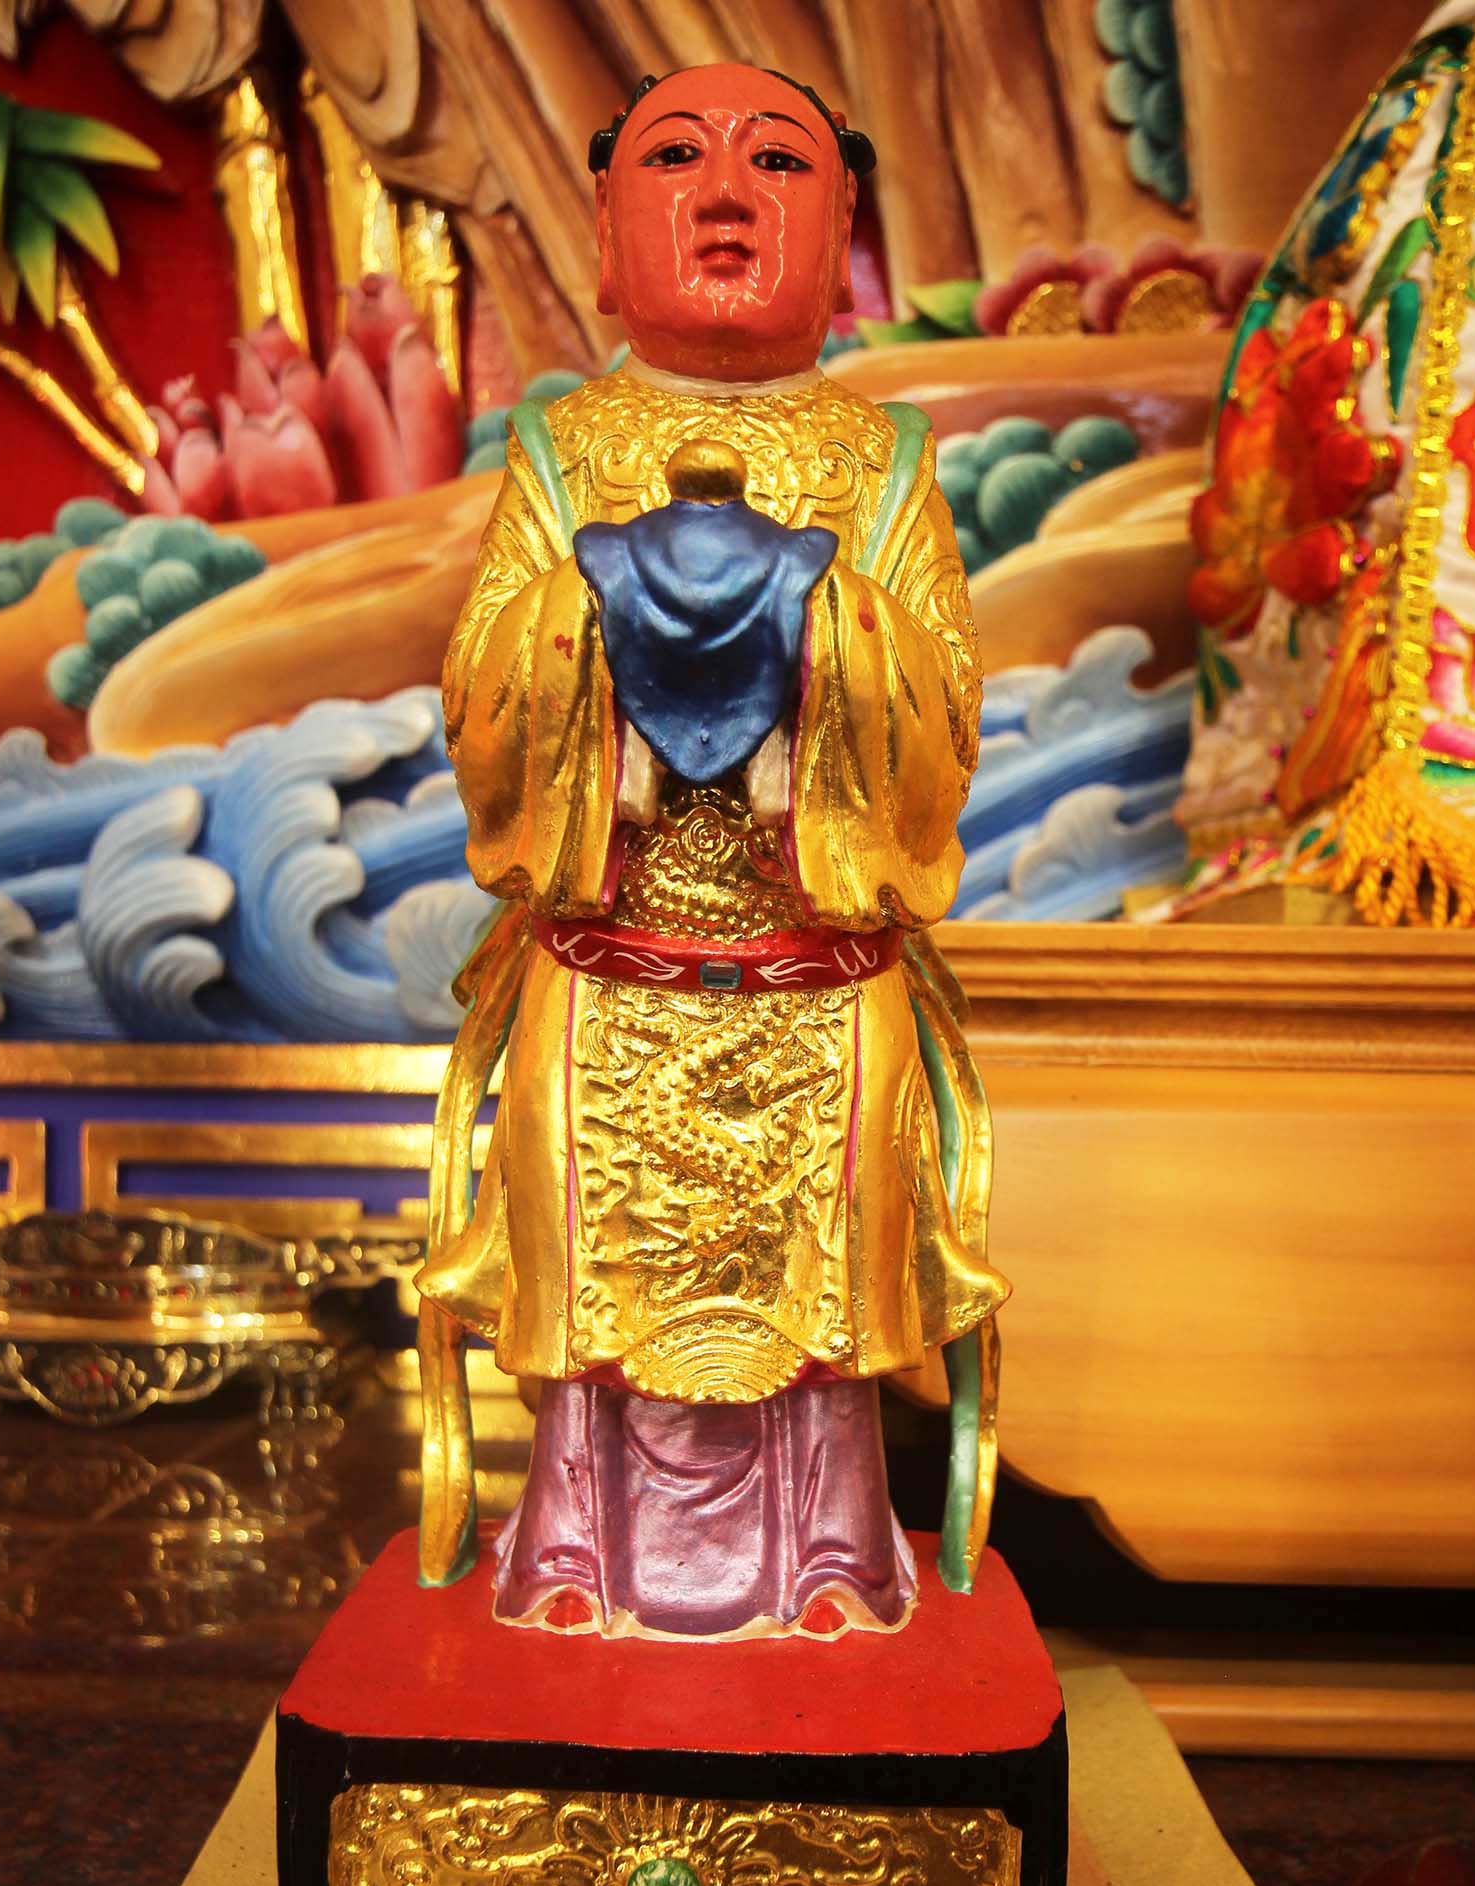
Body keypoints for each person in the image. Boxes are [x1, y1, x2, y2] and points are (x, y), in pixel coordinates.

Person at [416, 63, 1006, 1639]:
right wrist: (598, 597)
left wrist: (821, 609)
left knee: (819, 1306)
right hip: (608, 969)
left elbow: (946, 720)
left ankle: (832, 1558)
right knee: (591, 1295)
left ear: (845, 240)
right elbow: (480, 701)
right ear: (608, 243)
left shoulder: (886, 458)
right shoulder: (562, 449)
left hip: (820, 974)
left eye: (780, 165)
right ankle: (571, 1549)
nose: (731, 197)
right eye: (679, 158)